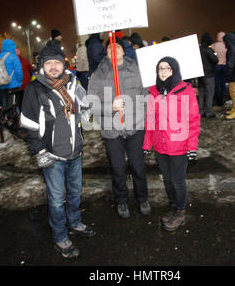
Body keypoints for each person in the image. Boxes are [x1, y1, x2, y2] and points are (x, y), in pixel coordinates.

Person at [20, 41, 94, 259]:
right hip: (52, 155)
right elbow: (28, 124)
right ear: (42, 65)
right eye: (49, 63)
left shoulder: (73, 83)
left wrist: (87, 112)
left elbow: (85, 106)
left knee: (75, 192)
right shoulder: (35, 89)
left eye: (57, 63)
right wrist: (39, 152)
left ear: (64, 65)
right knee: (55, 199)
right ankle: (60, 237)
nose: (53, 67)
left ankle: (75, 222)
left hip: (75, 152)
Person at [88, 37, 150, 219]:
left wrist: (144, 119)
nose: (113, 51)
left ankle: (142, 198)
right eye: (109, 49)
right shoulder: (98, 74)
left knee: (138, 167)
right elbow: (91, 103)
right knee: (117, 168)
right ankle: (122, 200)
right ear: (106, 53)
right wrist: (110, 107)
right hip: (112, 129)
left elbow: (146, 96)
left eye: (117, 48)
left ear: (124, 51)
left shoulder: (136, 70)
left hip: (135, 127)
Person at [143, 56, 200, 231]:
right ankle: (175, 207)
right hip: (161, 146)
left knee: (177, 181)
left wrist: (192, 147)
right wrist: (147, 144)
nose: (163, 72)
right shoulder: (154, 92)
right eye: (160, 68)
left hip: (179, 146)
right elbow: (151, 120)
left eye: (167, 68)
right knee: (167, 180)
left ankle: (181, 211)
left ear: (174, 70)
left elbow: (193, 121)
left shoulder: (186, 91)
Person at [0, 39, 23, 111]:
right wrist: (20, 81)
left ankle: (6, 118)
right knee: (15, 104)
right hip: (13, 85)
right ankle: (15, 119)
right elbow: (19, 71)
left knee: (5, 104)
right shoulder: (13, 57)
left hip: (2, 85)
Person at [198, 33, 219, 118]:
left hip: (200, 75)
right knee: (209, 94)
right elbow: (215, 60)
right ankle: (209, 112)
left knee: (201, 93)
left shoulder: (198, 49)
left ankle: (201, 112)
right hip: (209, 75)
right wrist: (214, 53)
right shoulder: (208, 50)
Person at [210, 32, 228, 106]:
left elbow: (213, 54)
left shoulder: (214, 45)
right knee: (223, 83)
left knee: (217, 83)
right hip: (224, 66)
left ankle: (217, 99)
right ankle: (222, 98)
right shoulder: (226, 45)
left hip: (217, 66)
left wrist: (216, 56)